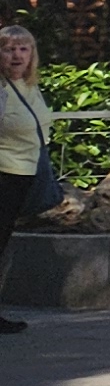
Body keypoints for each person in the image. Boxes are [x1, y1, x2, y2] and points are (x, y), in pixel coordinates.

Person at [0, 23, 51, 335]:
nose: (17, 55)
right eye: (8, 49)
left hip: (23, 178)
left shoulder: (30, 86)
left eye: (23, 48)